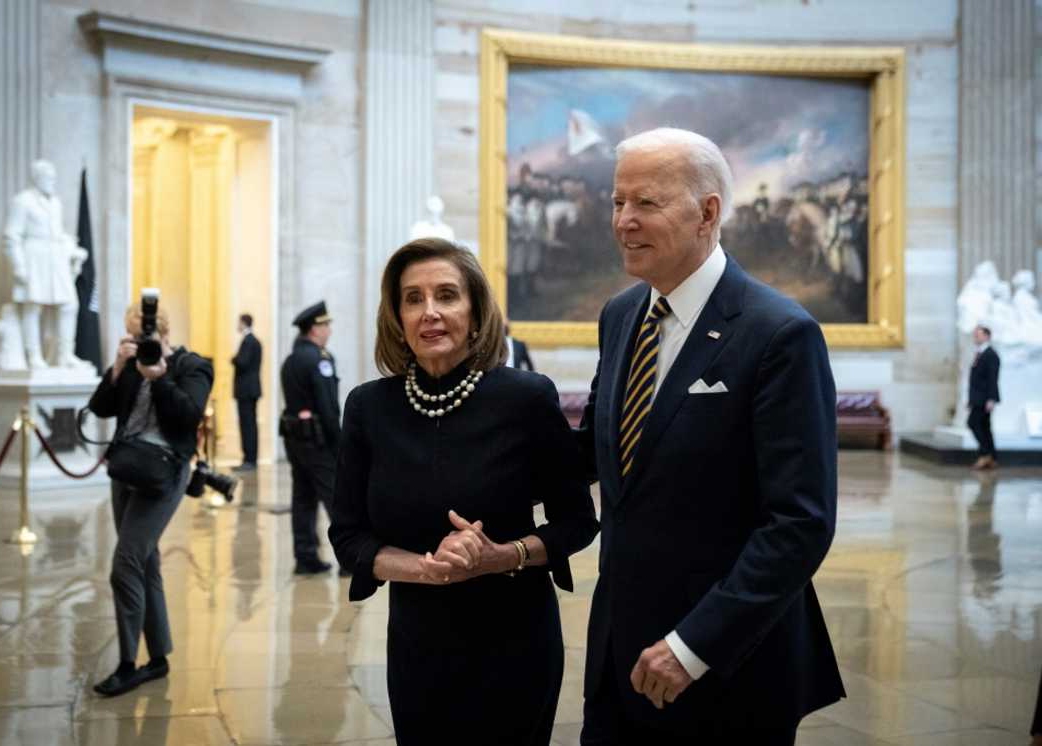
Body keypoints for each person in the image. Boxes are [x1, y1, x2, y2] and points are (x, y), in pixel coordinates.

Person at [577, 127, 844, 743]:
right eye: (618, 201)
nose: (623, 220)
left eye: (646, 202)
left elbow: (799, 523)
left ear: (708, 212)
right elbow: (595, 451)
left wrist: (694, 646)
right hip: (620, 655)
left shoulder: (780, 334)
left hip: (727, 670)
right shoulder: (621, 314)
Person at [328, 238, 599, 746]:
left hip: (515, 641)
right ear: (398, 318)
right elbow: (348, 536)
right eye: (413, 298)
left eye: (447, 295)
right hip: (418, 645)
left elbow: (577, 522)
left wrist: (502, 556)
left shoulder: (526, 398)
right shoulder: (368, 408)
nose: (429, 311)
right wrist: (425, 569)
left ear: (475, 313)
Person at [87, 301, 213, 697]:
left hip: (164, 474)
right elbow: (99, 408)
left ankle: (128, 665)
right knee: (145, 561)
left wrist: (158, 378)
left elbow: (189, 415)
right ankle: (158, 657)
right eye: (132, 335)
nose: (139, 341)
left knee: (125, 563)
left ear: (164, 333)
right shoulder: (130, 364)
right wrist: (117, 367)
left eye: (144, 336)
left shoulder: (193, 366)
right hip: (126, 467)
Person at [3, 159, 89, 369]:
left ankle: (65, 354)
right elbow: (11, 236)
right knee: (33, 306)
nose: (52, 181)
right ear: (37, 178)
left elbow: (58, 233)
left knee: (70, 304)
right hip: (34, 257)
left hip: (56, 258)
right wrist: (19, 266)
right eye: (48, 177)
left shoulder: (56, 203)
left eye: (54, 178)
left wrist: (73, 249)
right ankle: (33, 355)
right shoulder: (23, 201)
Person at [280, 301, 342, 575]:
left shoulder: (291, 360)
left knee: (303, 497)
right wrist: (339, 443)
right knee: (336, 498)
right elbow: (328, 407)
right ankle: (349, 560)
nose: (329, 330)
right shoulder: (320, 360)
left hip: (294, 439)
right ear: (315, 329)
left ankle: (305, 557)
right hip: (318, 441)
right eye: (326, 325)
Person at [231, 313, 262, 471]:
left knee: (248, 425)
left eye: (239, 322)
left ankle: (249, 459)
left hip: (246, 390)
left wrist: (234, 359)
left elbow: (243, 362)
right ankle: (249, 458)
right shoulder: (252, 341)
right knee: (249, 424)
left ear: (243, 323)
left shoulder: (249, 341)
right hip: (250, 390)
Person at [967, 324, 1000, 470]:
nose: (975, 337)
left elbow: (992, 379)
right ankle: (992, 457)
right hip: (977, 398)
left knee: (973, 423)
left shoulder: (991, 355)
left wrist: (991, 399)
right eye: (975, 335)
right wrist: (970, 400)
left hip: (984, 399)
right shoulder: (980, 353)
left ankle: (985, 454)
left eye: (978, 335)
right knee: (985, 427)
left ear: (987, 336)